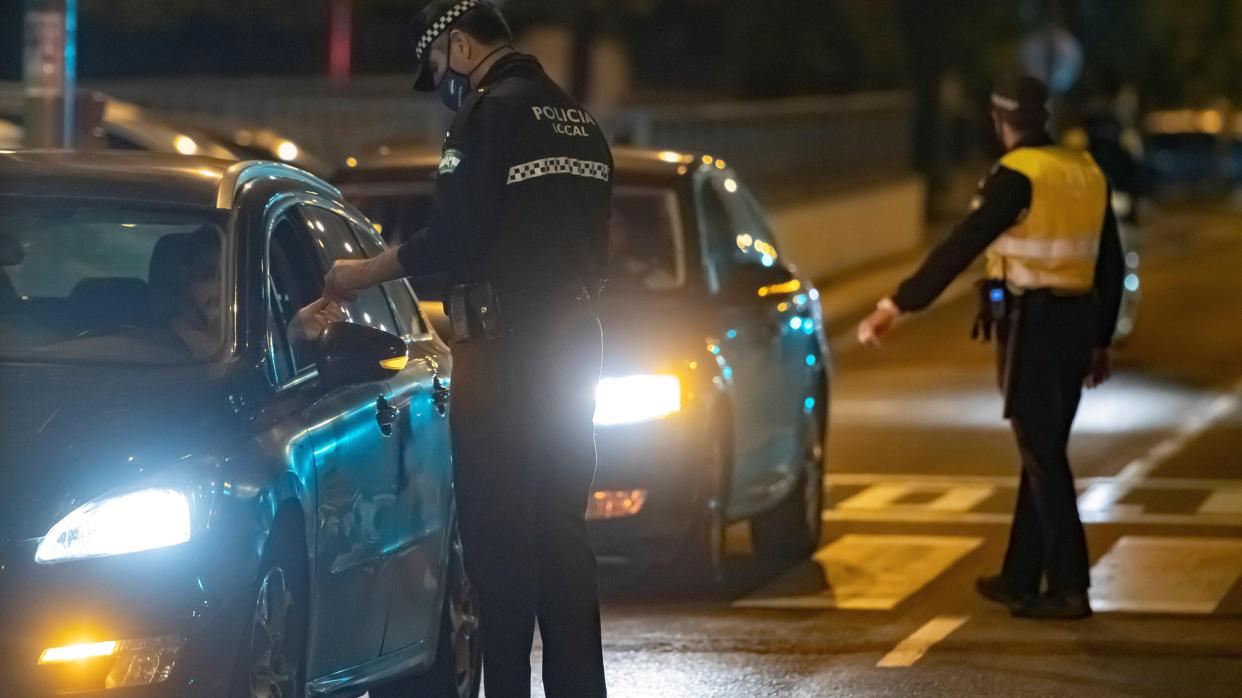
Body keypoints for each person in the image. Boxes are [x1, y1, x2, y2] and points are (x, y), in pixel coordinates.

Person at [322, 1, 612, 694]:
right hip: (574, 347)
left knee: (499, 544)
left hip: (503, 354)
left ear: (456, 45)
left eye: (435, 66)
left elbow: (453, 240)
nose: (440, 82)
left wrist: (362, 272)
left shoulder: (487, 117)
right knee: (562, 539)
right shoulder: (581, 122)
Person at [857, 76, 1124, 620]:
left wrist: (898, 305)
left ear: (999, 120)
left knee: (1042, 453)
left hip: (1034, 325)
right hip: (1076, 325)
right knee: (1042, 449)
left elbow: (964, 243)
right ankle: (1021, 576)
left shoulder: (1017, 177)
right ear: (1043, 117)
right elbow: (1111, 262)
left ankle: (1070, 586)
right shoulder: (1086, 169)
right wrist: (1101, 338)